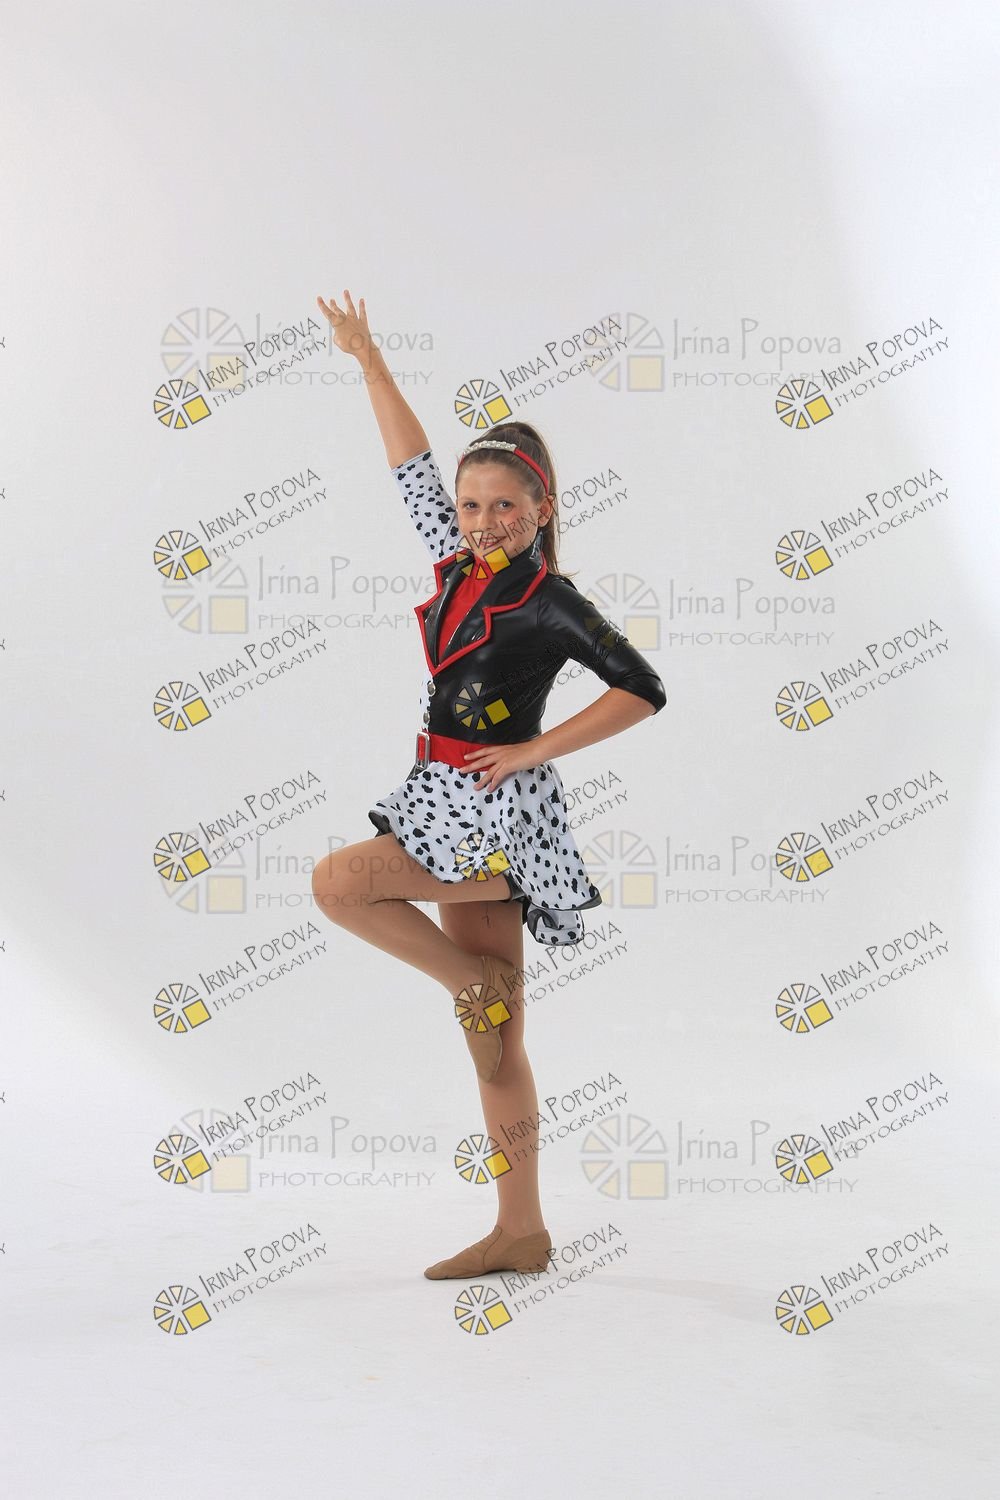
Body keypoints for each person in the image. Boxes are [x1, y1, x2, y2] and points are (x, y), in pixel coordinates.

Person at [310, 289, 666, 1281]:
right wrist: (370, 360)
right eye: (471, 507)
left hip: (497, 813)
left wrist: (533, 750)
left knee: (341, 883)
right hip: (439, 796)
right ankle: (522, 1230)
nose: (481, 521)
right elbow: (409, 466)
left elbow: (641, 688)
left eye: (503, 506)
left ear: (540, 509)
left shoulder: (550, 598)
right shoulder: (454, 562)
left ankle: (471, 978)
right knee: (497, 1042)